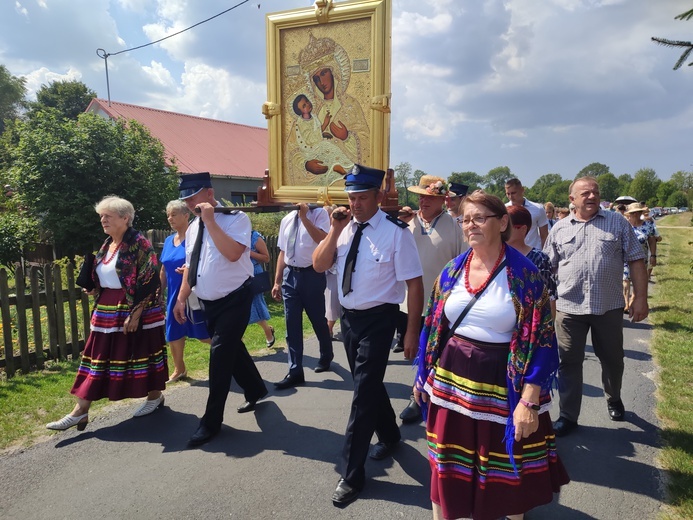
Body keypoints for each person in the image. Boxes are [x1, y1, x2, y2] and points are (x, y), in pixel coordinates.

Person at [414, 190, 569, 520]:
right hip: (450, 384)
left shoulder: (525, 276)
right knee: (445, 465)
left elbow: (542, 340)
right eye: (465, 219)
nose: (470, 225)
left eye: (479, 218)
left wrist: (528, 402)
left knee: (505, 471)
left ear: (502, 223)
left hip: (502, 385)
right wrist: (423, 377)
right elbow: (433, 324)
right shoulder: (452, 270)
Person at [313, 164, 424, 506]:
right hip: (350, 320)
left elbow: (414, 283)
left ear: (378, 196)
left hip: (380, 319)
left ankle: (351, 473)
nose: (356, 204)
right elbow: (319, 265)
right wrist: (334, 230)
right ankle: (390, 435)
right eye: (351, 197)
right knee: (368, 385)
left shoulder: (396, 233)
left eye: (362, 197)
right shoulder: (344, 228)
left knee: (361, 393)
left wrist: (411, 330)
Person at [47, 196, 168, 432]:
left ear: (125, 218)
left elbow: (150, 280)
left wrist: (135, 314)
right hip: (106, 309)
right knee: (97, 358)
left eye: (108, 216)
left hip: (134, 308)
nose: (103, 220)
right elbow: (108, 274)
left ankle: (154, 397)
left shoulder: (140, 243)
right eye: (101, 216)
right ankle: (80, 411)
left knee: (144, 352)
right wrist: (94, 286)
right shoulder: (107, 244)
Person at [544, 177, 648, 437]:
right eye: (585, 193)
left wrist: (641, 297)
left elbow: (636, 260)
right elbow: (547, 267)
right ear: (572, 200)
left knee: (612, 360)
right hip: (569, 308)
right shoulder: (559, 228)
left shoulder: (617, 222)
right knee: (569, 362)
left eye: (595, 192)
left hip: (609, 307)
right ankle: (568, 415)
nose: (591, 196)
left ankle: (613, 397)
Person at [173, 172, 268, 448]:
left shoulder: (237, 218)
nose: (189, 203)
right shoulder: (192, 228)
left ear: (209, 194)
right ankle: (255, 388)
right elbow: (191, 264)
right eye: (185, 199)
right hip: (209, 302)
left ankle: (210, 422)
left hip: (236, 298)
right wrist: (181, 298)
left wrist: (211, 221)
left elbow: (233, 253)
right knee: (229, 347)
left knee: (220, 355)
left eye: (193, 197)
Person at [398, 175, 467, 424]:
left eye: (430, 197)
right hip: (409, 301)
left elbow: (464, 264)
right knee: (415, 350)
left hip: (442, 302)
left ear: (442, 200)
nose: (423, 201)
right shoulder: (407, 223)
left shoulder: (455, 226)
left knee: (437, 352)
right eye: (421, 196)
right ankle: (417, 395)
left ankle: (437, 396)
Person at [287, 34, 370, 187]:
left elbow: (368, 142)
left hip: (347, 184)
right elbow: (292, 148)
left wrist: (347, 137)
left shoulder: (351, 105)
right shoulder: (310, 112)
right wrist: (306, 164)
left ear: (334, 71)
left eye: (324, 73)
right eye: (316, 78)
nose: (321, 82)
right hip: (314, 182)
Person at [271, 202, 334, 389]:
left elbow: (323, 240)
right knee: (292, 323)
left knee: (317, 319)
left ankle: (326, 354)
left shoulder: (320, 214)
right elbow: (283, 251)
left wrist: (305, 218)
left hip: (312, 274)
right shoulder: (286, 219)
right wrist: (277, 280)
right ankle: (295, 370)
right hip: (290, 275)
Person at [160, 200, 210, 383]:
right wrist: (160, 289)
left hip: (193, 291)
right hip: (174, 293)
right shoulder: (168, 240)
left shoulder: (195, 237)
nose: (170, 218)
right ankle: (179, 369)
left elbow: (204, 261)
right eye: (168, 215)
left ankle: (234, 349)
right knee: (173, 332)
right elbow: (164, 268)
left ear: (186, 216)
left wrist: (189, 270)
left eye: (174, 214)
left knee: (203, 333)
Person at [507, 205, 558, 319]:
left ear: (523, 229)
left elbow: (550, 296)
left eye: (508, 226)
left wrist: (548, 329)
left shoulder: (539, 258)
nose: (502, 231)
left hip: (529, 322)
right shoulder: (495, 256)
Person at [292, 93, 353, 176]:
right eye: (304, 106)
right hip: (310, 150)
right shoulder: (301, 122)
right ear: (300, 112)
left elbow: (315, 132)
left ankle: (345, 166)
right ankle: (338, 166)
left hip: (317, 144)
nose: (308, 104)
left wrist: (323, 134)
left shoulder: (313, 116)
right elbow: (309, 139)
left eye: (307, 101)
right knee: (327, 146)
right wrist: (324, 125)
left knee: (331, 146)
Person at [622, 203, 657, 311]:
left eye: (638, 212)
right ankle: (626, 303)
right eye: (633, 213)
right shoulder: (624, 225)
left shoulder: (648, 225)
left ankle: (633, 299)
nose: (636, 215)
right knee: (625, 279)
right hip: (625, 257)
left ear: (641, 213)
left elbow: (652, 241)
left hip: (641, 258)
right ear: (629, 214)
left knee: (638, 280)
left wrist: (653, 255)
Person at [248, 229, 276, 347]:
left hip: (253, 274)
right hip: (235, 275)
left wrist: (248, 252)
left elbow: (266, 258)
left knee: (256, 306)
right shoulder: (230, 236)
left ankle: (268, 331)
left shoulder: (254, 236)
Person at [505, 178, 549, 249]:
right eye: (508, 194)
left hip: (533, 253)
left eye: (513, 193)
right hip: (512, 253)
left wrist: (544, 254)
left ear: (522, 190)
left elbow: (544, 236)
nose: (510, 197)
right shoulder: (504, 209)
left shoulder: (538, 209)